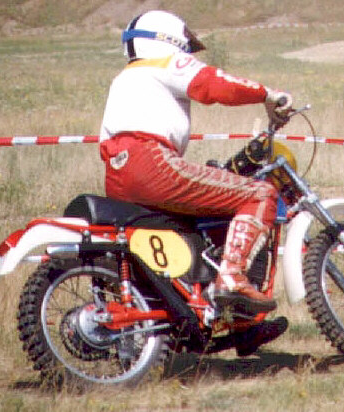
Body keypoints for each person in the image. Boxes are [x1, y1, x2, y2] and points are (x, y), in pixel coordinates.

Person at [99, 10, 293, 317]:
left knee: (189, 227)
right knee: (260, 194)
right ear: (170, 39)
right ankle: (232, 277)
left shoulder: (124, 79)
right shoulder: (164, 62)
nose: (188, 54)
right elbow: (214, 84)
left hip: (117, 174)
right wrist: (268, 95)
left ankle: (213, 313)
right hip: (152, 163)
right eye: (185, 47)